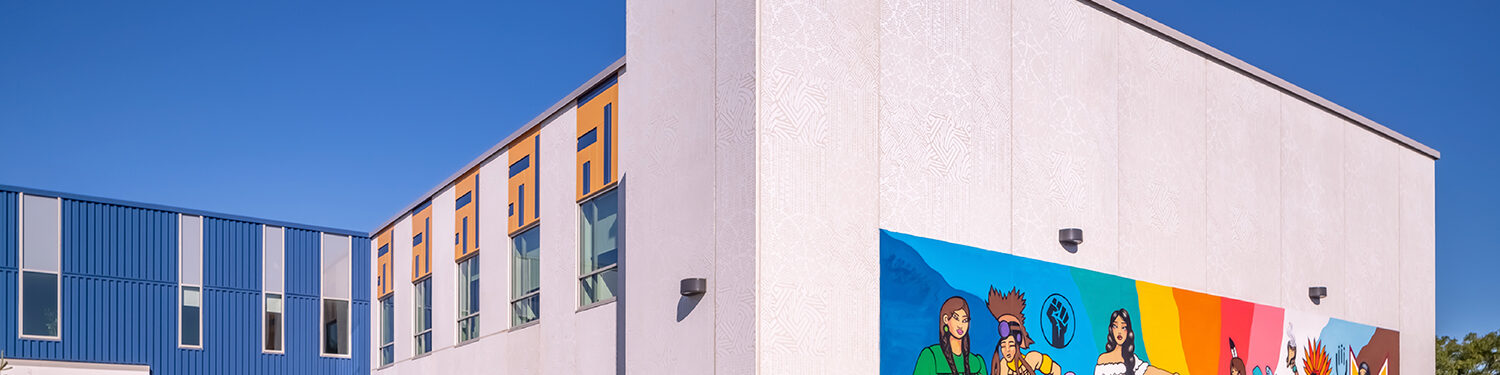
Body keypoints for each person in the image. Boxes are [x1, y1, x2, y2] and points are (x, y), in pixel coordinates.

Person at [988, 288, 1061, 375]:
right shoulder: (1003, 366)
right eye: (1003, 346)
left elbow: (1056, 369)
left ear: (1018, 342)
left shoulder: (1032, 359)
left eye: (1011, 344)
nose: (1007, 350)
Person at [913, 296, 988, 375]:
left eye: (965, 320)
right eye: (956, 318)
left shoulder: (977, 363)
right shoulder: (931, 356)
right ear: (946, 319)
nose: (960, 325)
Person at [1094, 309, 1177, 375]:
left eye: (1123, 327)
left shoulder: (1132, 359)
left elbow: (1149, 370)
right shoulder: (1103, 359)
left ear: (1128, 331)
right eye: (1115, 326)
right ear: (1111, 329)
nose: (1119, 332)